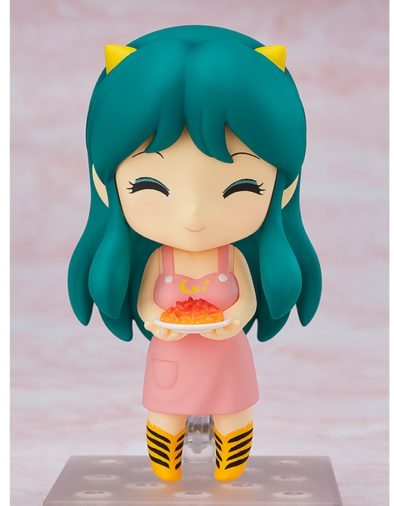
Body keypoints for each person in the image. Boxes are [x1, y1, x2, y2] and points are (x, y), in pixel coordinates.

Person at [68, 25, 322, 483]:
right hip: (171, 351)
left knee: (234, 411)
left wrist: (233, 318)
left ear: (284, 188)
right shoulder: (158, 261)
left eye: (242, 187)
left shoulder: (233, 258)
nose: (194, 215)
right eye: (149, 185)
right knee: (165, 412)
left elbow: (246, 299)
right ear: (106, 185)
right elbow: (147, 302)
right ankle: (166, 464)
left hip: (228, 352)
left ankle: (231, 465)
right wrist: (157, 319)